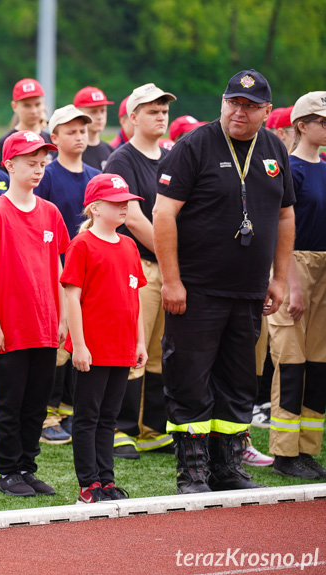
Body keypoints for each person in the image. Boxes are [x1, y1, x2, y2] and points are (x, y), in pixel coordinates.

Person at [153, 69, 295, 494]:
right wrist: (172, 281)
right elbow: (163, 214)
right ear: (222, 102)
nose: (240, 111)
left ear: (267, 112)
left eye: (251, 106)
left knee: (238, 382)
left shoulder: (273, 148)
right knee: (190, 377)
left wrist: (280, 278)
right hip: (196, 289)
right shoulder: (194, 145)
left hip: (249, 291)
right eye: (234, 102)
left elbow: (285, 215)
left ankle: (227, 467)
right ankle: (192, 472)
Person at [0, 130, 68, 497]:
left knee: (37, 403)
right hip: (12, 328)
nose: (38, 170)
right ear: (10, 164)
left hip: (45, 326)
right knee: (9, 402)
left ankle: (28, 466)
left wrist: (62, 319)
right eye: (31, 163)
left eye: (43, 164)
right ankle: (8, 471)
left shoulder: (50, 212)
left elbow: (61, 270)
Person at [62, 173, 147, 504]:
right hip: (93, 350)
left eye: (126, 202)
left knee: (108, 418)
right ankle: (89, 483)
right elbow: (72, 297)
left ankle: (106, 480)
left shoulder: (128, 245)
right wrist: (80, 345)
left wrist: (139, 342)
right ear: (95, 208)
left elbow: (134, 299)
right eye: (117, 203)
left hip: (122, 348)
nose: (124, 208)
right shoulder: (82, 244)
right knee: (87, 417)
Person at [104, 82, 176, 459]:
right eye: (151, 110)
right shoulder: (122, 159)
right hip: (142, 267)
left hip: (168, 267)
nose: (161, 114)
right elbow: (131, 217)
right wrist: (170, 256)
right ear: (132, 116)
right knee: (133, 347)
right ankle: (121, 428)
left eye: (164, 109)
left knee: (160, 351)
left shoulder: (171, 155)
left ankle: (152, 428)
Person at [266, 92, 326, 480]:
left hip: (323, 266)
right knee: (290, 361)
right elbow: (276, 229)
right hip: (295, 264)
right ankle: (285, 453)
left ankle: (308, 449)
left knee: (319, 364)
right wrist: (292, 284)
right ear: (301, 125)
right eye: (321, 121)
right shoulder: (289, 169)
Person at [37, 105, 102, 445]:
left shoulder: (95, 175)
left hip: (93, 274)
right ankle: (47, 414)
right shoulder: (46, 175)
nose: (79, 136)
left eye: (82, 130)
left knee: (83, 340)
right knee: (59, 344)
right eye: (71, 131)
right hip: (58, 270)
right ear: (55, 137)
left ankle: (69, 410)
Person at [0, 79, 51, 170]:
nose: (33, 111)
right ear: (14, 106)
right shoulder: (4, 142)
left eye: (37, 104)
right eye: (27, 105)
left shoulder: (52, 141)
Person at [74, 86, 116, 171]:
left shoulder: (112, 152)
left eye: (103, 111)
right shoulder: (71, 151)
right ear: (78, 113)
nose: (100, 117)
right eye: (93, 111)